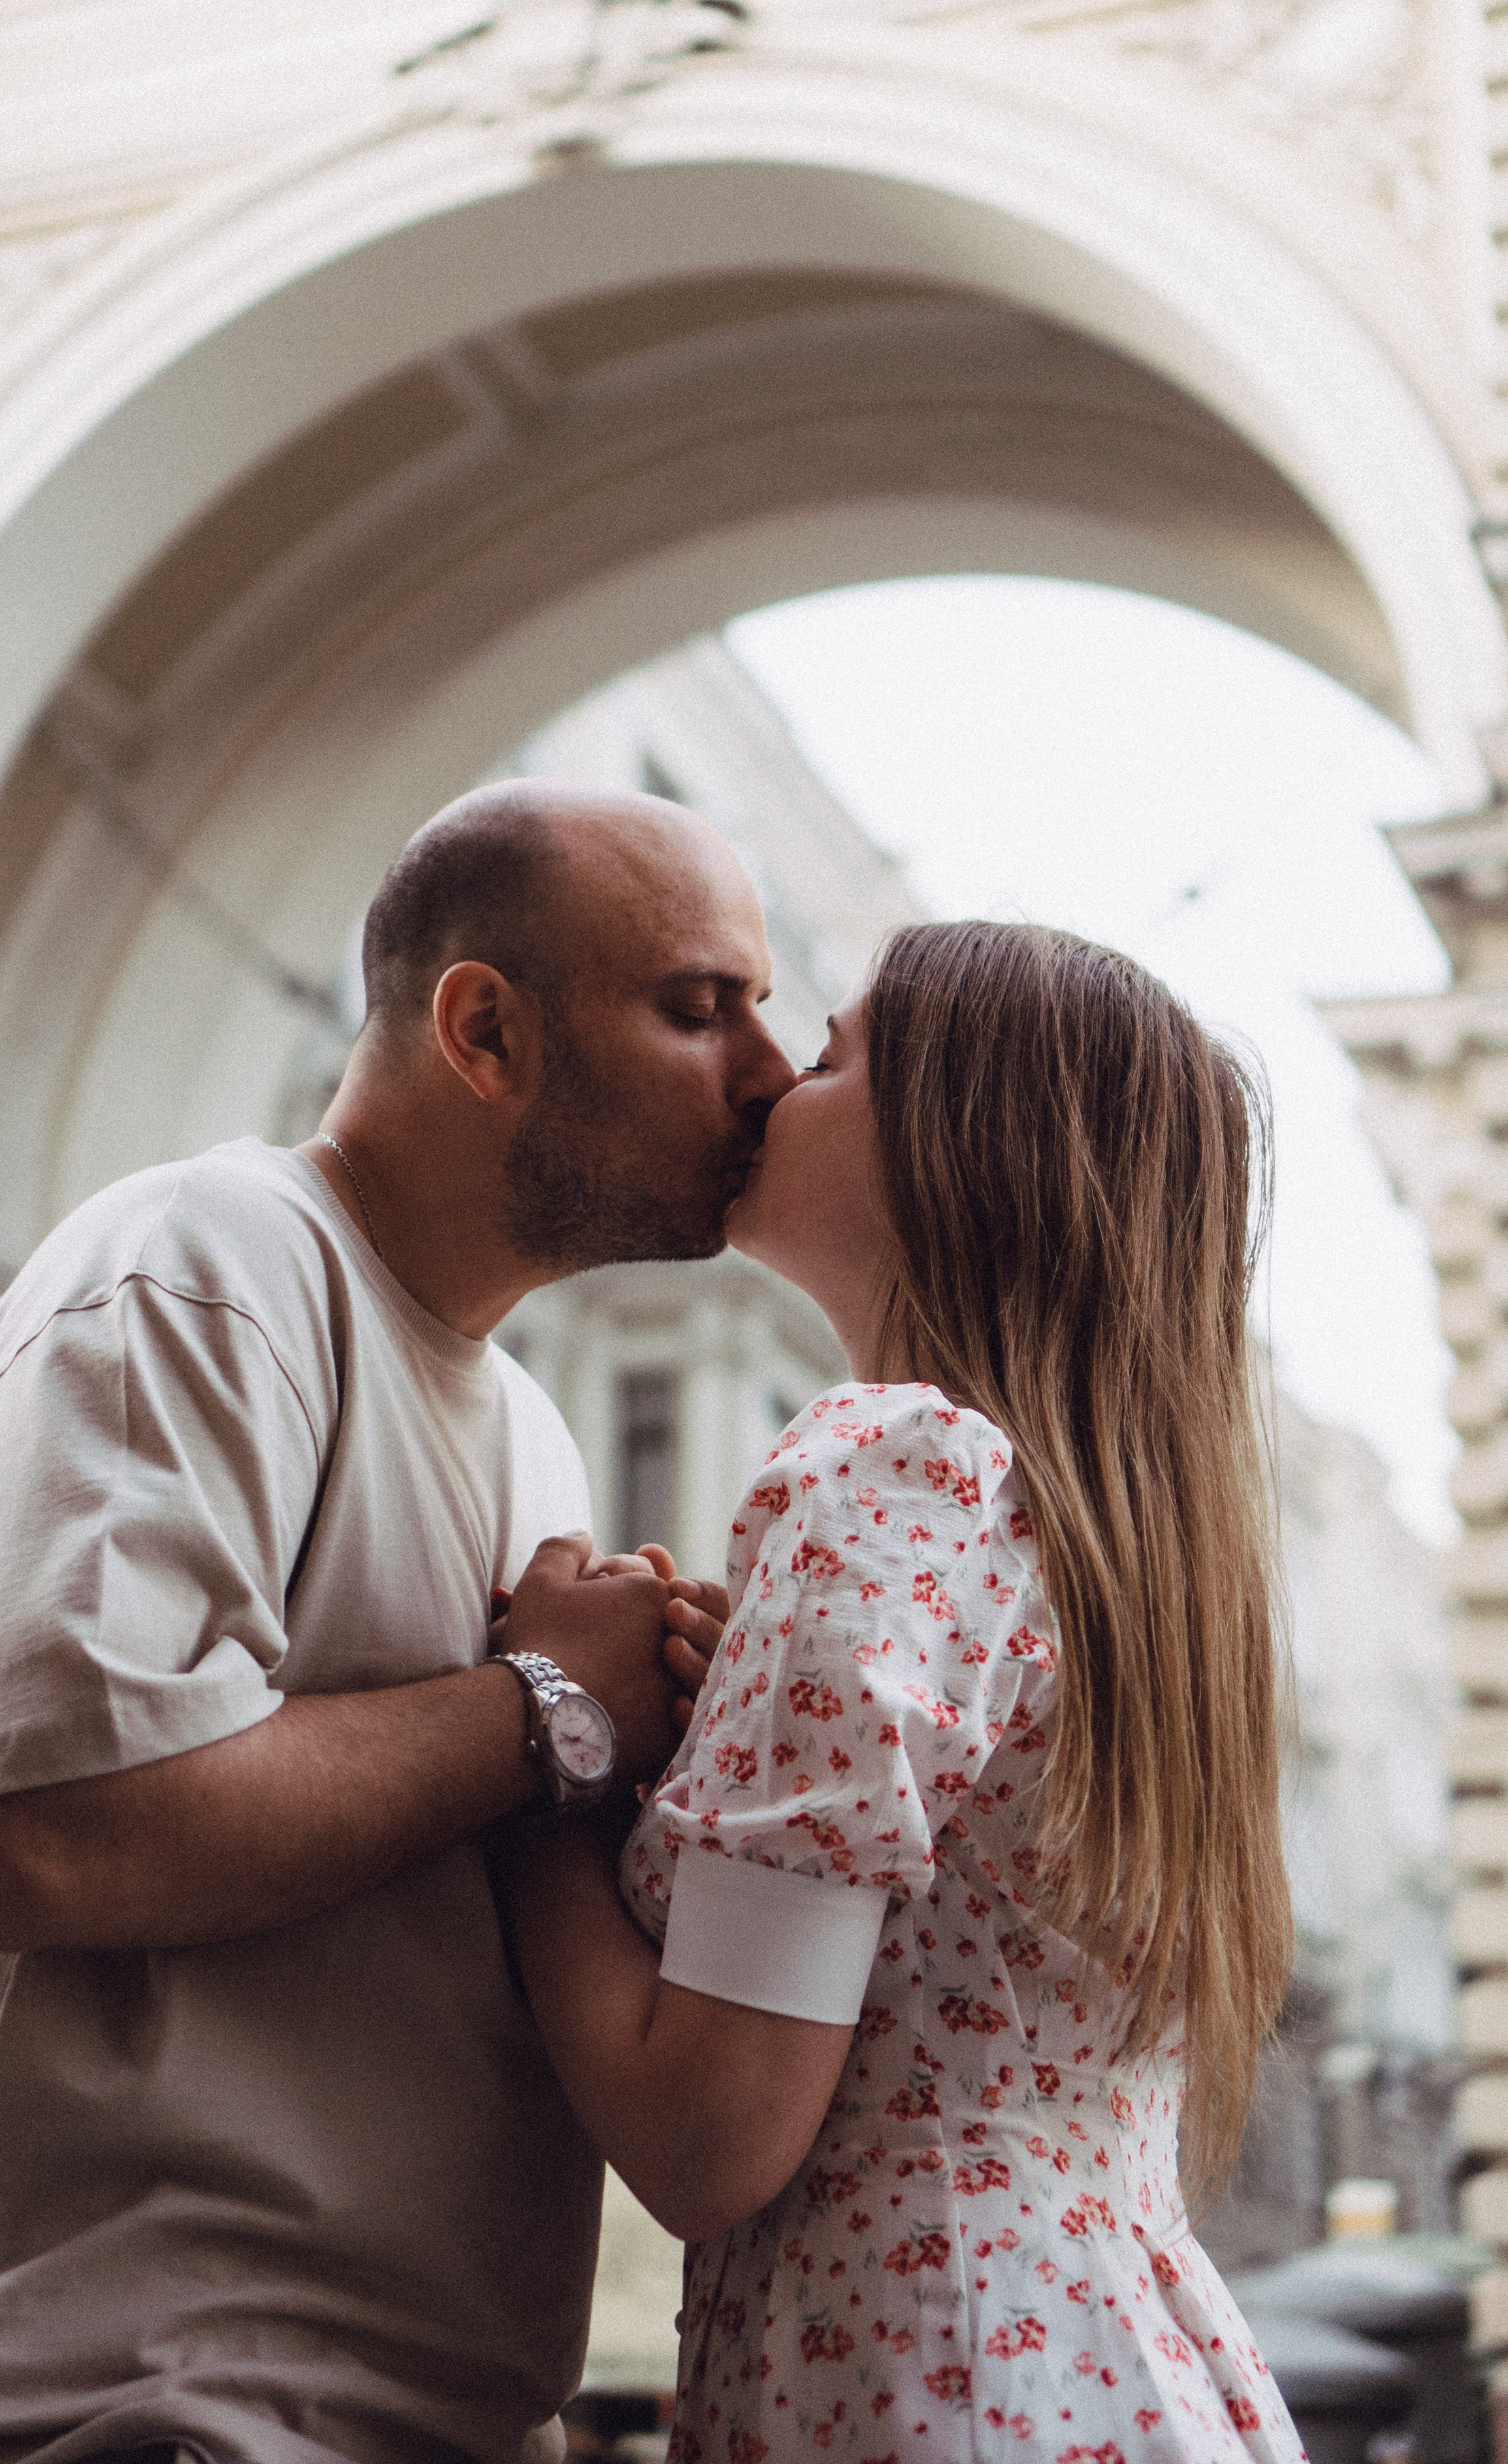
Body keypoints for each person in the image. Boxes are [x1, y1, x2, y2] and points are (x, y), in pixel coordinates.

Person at [0, 782, 797, 2464]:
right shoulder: (201, 1270)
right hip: (141, 2410)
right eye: (696, 1008)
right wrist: (543, 1706)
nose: (766, 1074)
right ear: (484, 1030)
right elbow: (38, 1837)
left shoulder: (528, 1428)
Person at [503, 919, 1302, 2464]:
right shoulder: (1103, 1547)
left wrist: (545, 1738)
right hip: (1113, 2368)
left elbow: (707, 2135)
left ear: (962, 1145)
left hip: (934, 2382)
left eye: (834, 1054)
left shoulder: (884, 1460)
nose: (770, 1078)